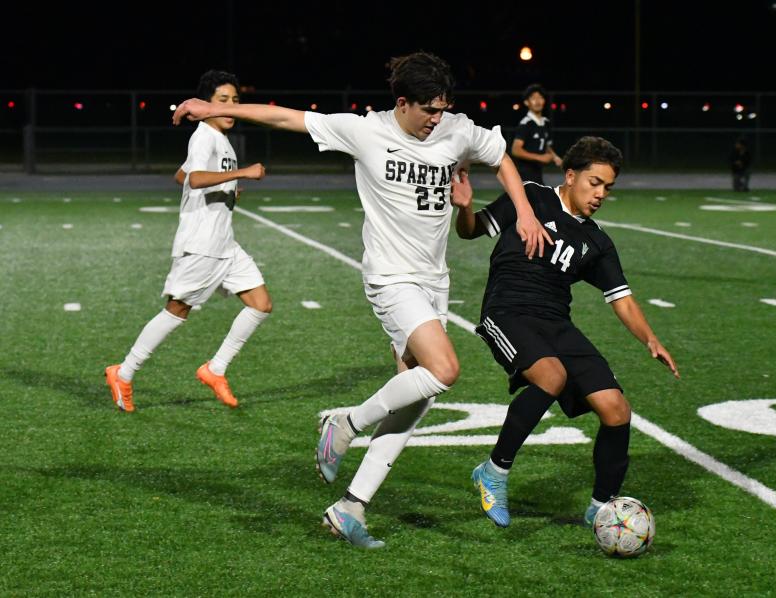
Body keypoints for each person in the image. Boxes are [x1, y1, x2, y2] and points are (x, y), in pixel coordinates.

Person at [172, 52, 551, 549]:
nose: (437, 119)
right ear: (402, 103)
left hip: (435, 280)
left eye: (442, 109)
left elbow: (501, 157)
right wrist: (209, 106)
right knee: (445, 369)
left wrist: (523, 212)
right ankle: (344, 423)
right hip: (391, 278)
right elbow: (286, 116)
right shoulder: (365, 130)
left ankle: (350, 508)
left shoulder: (455, 129)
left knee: (417, 396)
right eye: (428, 111)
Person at [452, 136, 679, 528]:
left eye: (608, 187)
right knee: (551, 376)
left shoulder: (596, 241)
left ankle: (601, 508)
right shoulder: (531, 198)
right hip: (507, 312)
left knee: (615, 409)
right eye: (595, 182)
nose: (601, 194)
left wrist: (651, 339)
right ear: (571, 176)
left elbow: (621, 298)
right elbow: (471, 231)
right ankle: (494, 471)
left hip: (556, 322)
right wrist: (465, 206)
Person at [105, 70, 272, 412]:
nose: (230, 107)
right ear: (205, 105)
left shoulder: (219, 139)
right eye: (222, 100)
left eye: (235, 101)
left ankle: (215, 369)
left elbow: (181, 175)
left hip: (225, 244)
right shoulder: (204, 136)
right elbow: (194, 179)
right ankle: (123, 372)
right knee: (177, 311)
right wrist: (241, 174)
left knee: (260, 303)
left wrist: (226, 188)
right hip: (202, 245)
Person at [510, 84, 563, 185]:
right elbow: (515, 150)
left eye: (540, 97)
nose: (537, 101)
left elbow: (546, 145)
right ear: (526, 102)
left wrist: (555, 157)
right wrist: (540, 157)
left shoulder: (545, 122)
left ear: (544, 101)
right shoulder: (526, 124)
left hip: (537, 172)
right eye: (533, 98)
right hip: (522, 175)